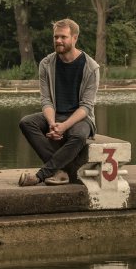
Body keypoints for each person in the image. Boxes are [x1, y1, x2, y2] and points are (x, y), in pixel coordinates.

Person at [18, 18, 99, 187]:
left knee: (78, 135)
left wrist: (64, 126)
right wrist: (52, 123)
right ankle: (59, 171)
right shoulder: (46, 64)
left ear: (75, 38)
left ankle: (42, 174)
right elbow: (46, 100)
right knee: (27, 122)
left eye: (63, 37)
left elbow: (86, 106)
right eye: (56, 37)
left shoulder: (91, 67)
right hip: (55, 114)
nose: (58, 41)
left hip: (81, 119)